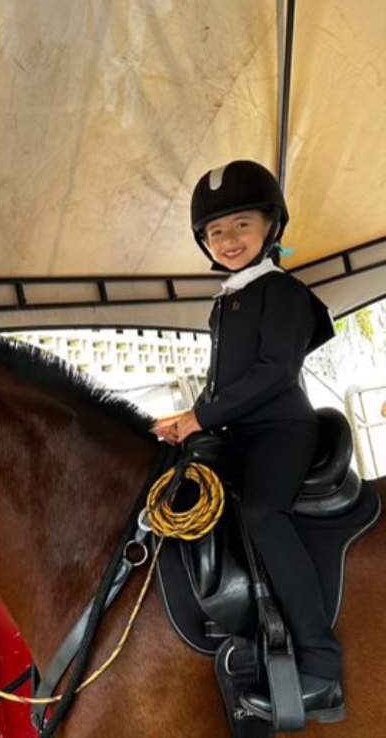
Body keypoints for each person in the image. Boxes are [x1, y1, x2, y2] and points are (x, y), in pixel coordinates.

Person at [154, 160, 344, 723]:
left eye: (240, 224)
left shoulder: (282, 291)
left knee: (262, 513)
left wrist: (201, 414)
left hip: (283, 429)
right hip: (238, 431)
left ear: (269, 226)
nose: (228, 240)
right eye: (215, 232)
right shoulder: (227, 299)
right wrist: (188, 428)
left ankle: (320, 666)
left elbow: (272, 373)